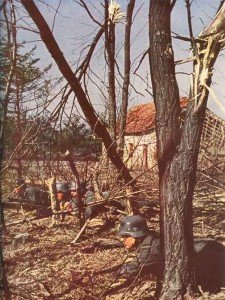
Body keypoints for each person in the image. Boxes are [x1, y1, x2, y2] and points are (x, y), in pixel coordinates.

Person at [118, 215, 225, 294]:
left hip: (212, 256)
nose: (122, 240)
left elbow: (135, 267)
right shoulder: (150, 239)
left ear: (135, 235)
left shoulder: (152, 247)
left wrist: (117, 271)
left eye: (125, 236)